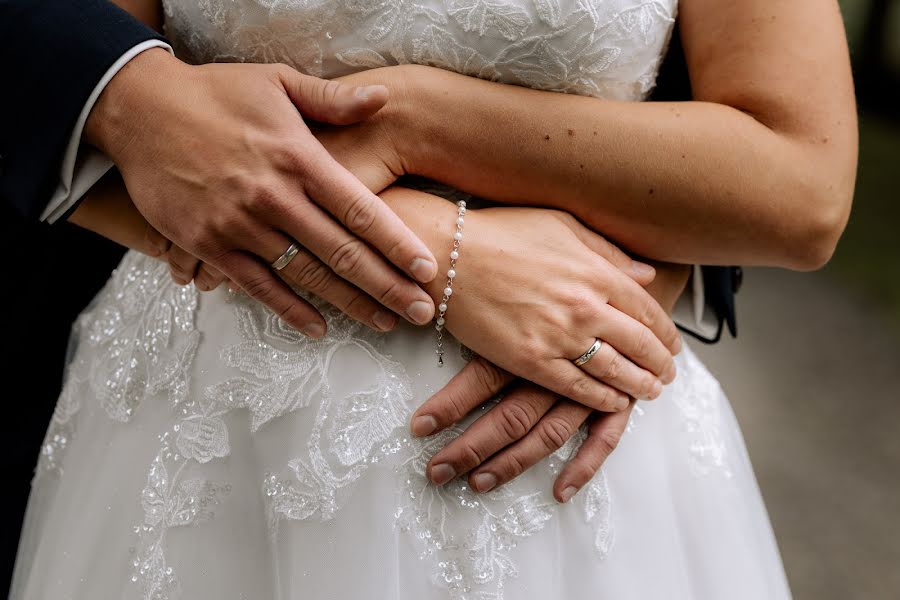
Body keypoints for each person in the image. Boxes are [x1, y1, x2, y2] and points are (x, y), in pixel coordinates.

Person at [8, 0, 857, 598]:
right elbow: (86, 84)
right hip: (208, 427)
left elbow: (801, 184)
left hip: (565, 445)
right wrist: (425, 242)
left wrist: (416, 122)